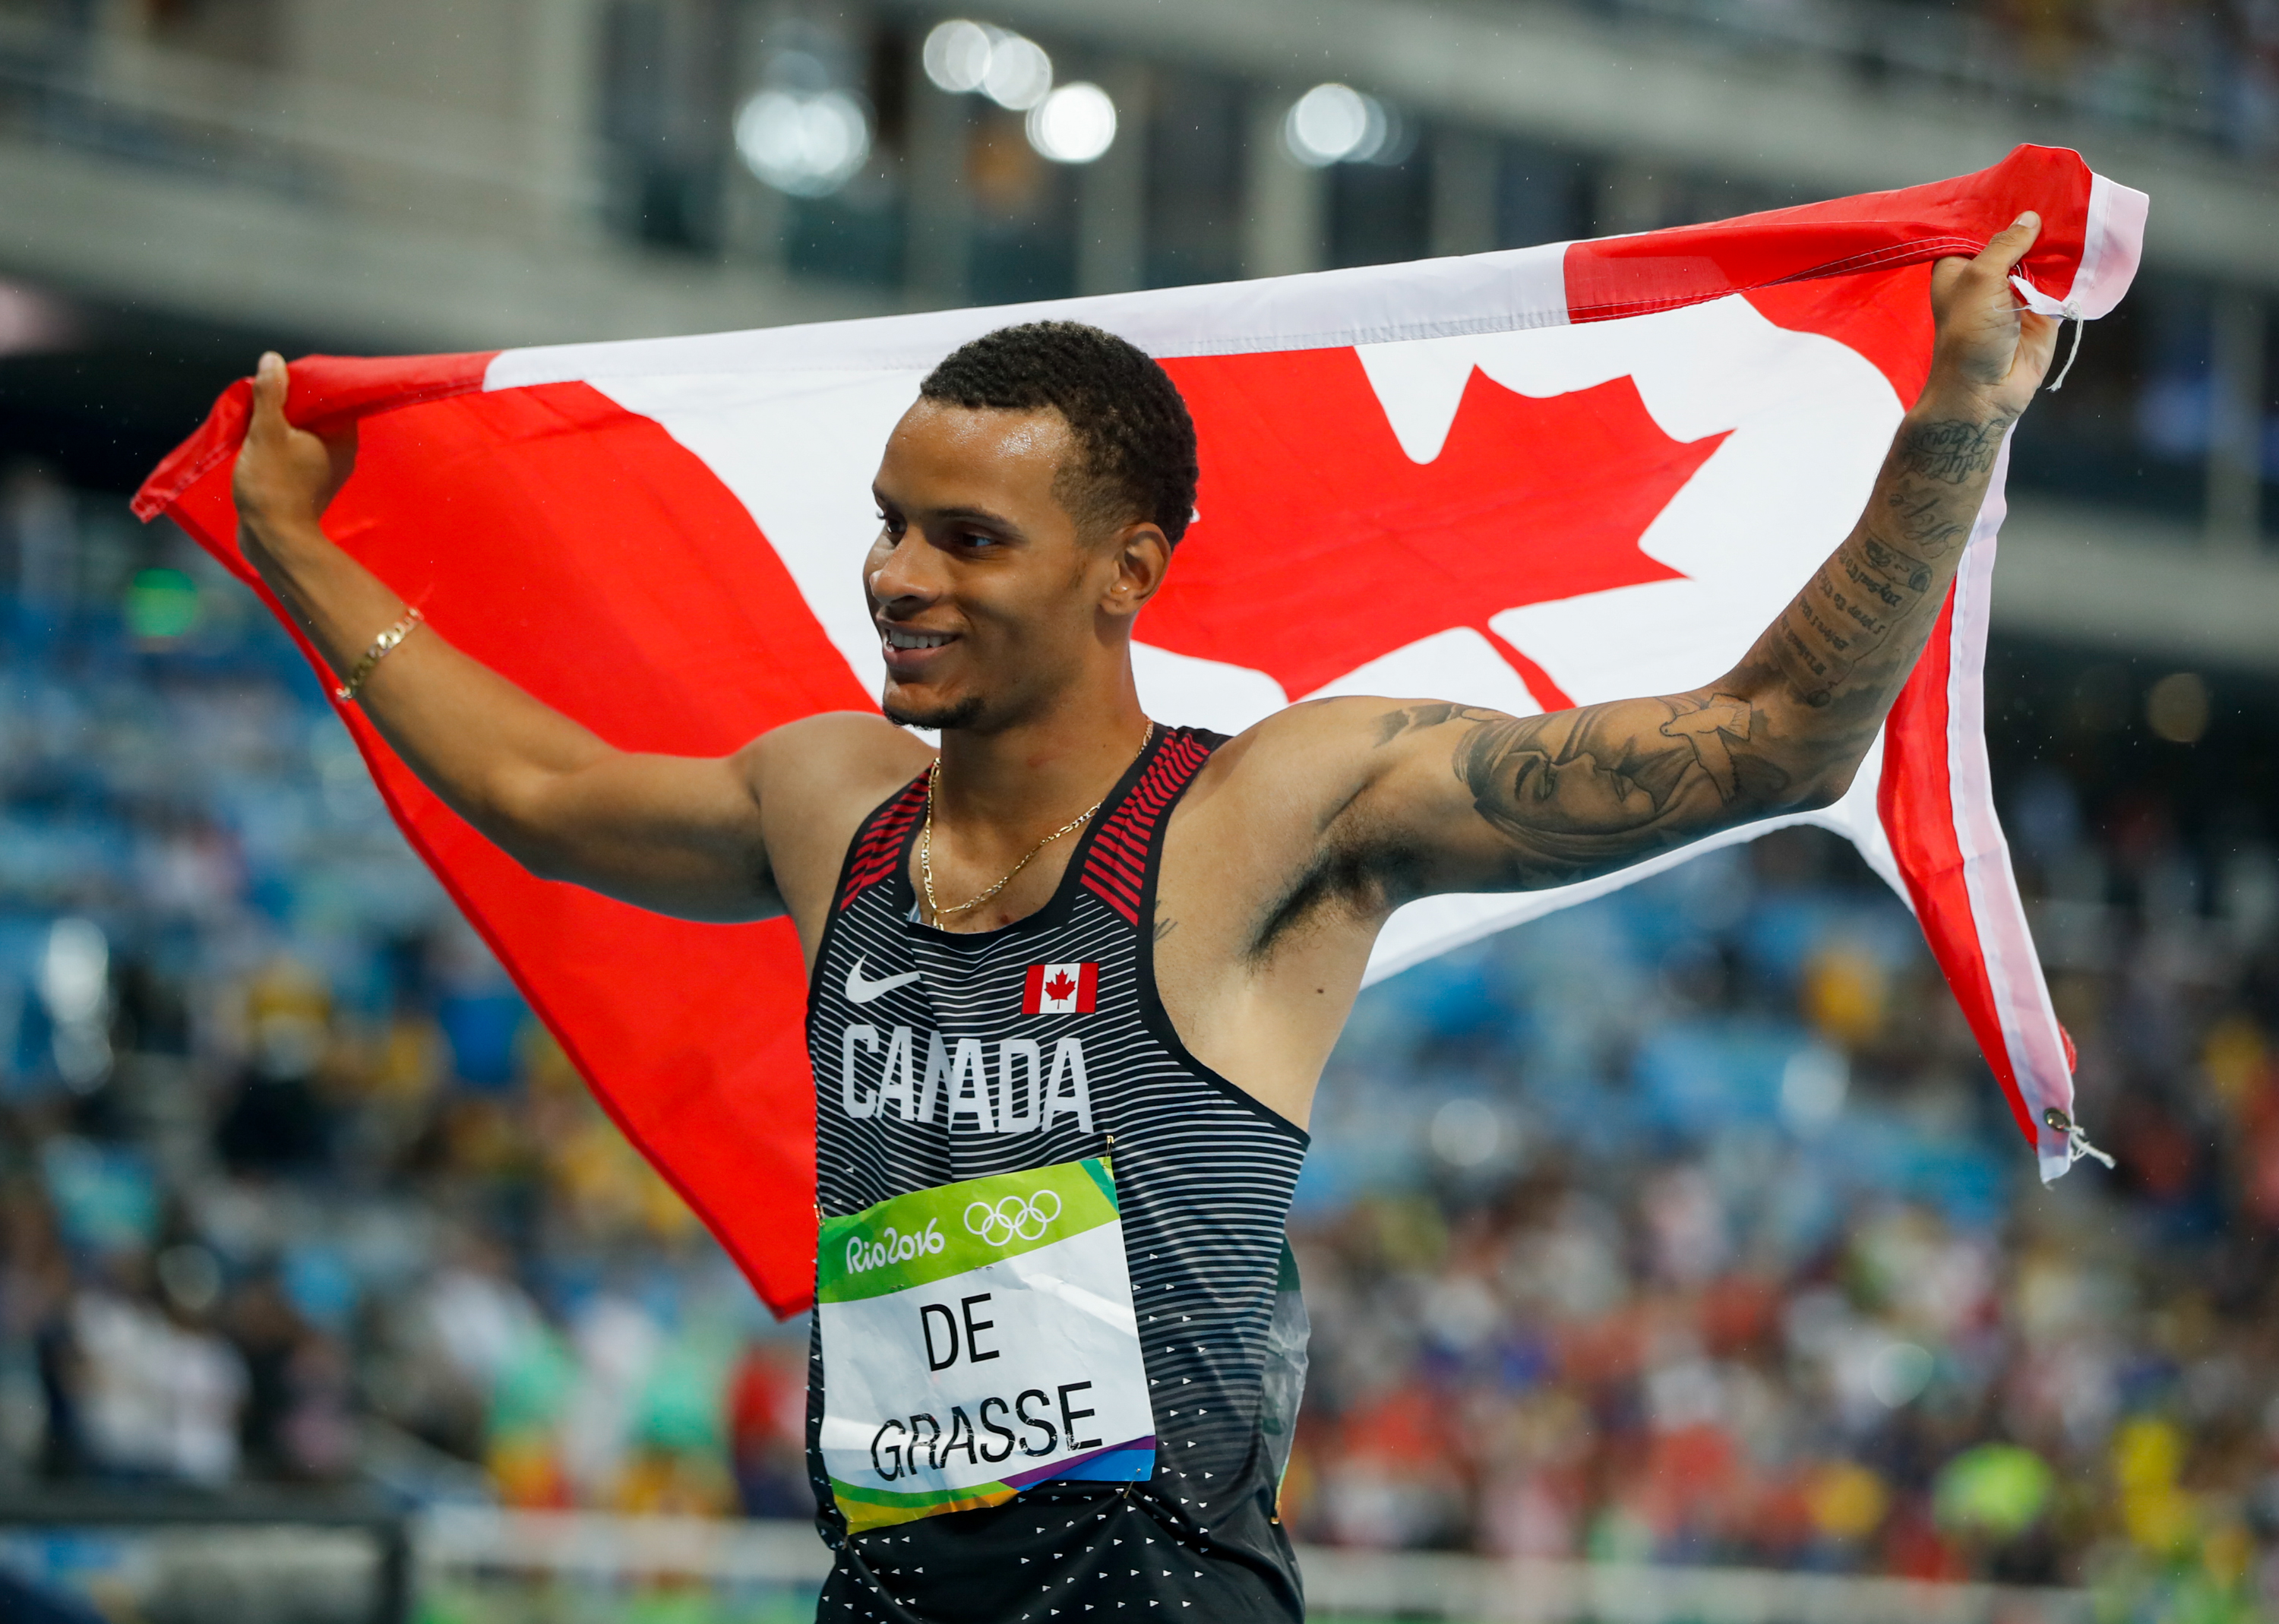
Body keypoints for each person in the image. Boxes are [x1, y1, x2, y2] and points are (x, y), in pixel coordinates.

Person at [229, 213, 2056, 1621]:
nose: (897, 575)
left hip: (1159, 1596)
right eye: (891, 523)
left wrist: (1958, 416)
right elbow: (539, 792)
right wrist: (301, 548)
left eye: (969, 537)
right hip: (887, 1588)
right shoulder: (832, 803)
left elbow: (1769, 738)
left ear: (1128, 570)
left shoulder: (1264, 814)